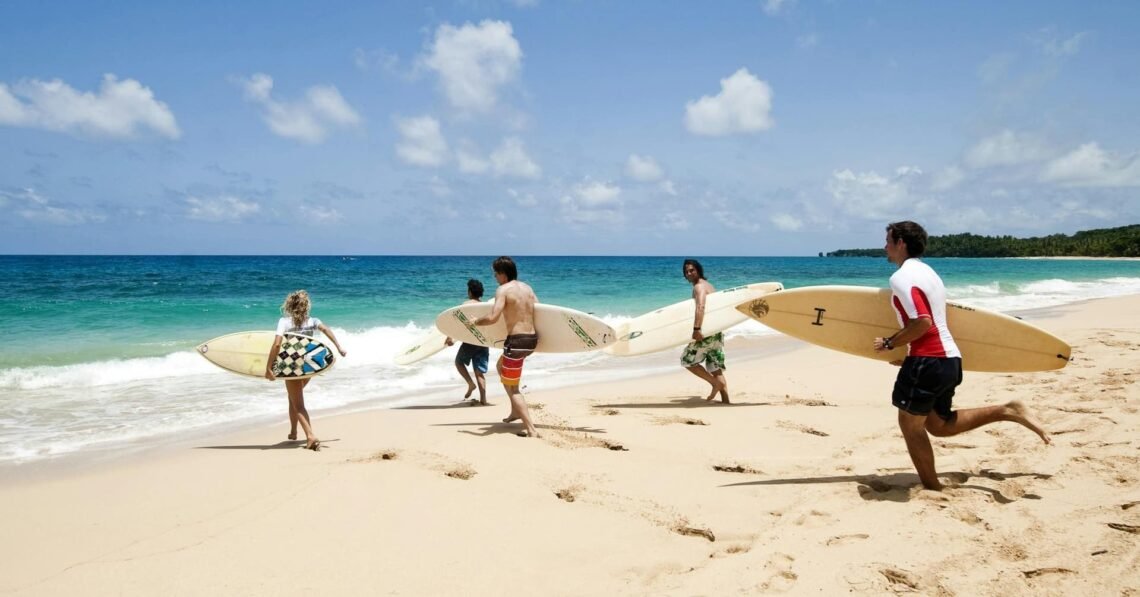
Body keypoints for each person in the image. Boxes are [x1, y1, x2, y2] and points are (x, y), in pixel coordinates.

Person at [873, 221, 1050, 490]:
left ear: (901, 243)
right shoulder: (929, 273)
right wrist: (910, 356)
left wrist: (889, 343)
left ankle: (932, 488)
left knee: (910, 425)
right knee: (939, 425)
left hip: (929, 360)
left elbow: (923, 322)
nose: (885, 246)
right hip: (948, 359)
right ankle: (1007, 410)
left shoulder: (901, 278)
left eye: (888, 240)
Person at [264, 289, 347, 451]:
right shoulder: (313, 321)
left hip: (291, 366)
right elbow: (326, 330)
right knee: (293, 398)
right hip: (308, 367)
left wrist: (268, 368)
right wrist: (338, 347)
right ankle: (294, 431)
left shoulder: (284, 322)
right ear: (307, 306)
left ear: (289, 305)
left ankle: (310, 436)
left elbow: (276, 344)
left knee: (298, 403)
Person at [470, 256, 540, 438]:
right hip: (531, 340)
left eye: (495, 273)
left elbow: (493, 317)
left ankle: (531, 429)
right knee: (501, 367)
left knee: (513, 387)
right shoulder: (527, 288)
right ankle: (515, 411)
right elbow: (541, 312)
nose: (494, 277)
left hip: (516, 343)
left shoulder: (503, 289)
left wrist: (476, 321)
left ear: (503, 273)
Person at [680, 259, 730, 403]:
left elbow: (700, 307)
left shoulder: (699, 287)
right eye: (686, 271)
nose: (689, 273)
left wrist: (696, 329)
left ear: (698, 270)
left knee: (687, 361)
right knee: (715, 367)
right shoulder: (709, 285)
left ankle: (715, 383)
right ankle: (725, 400)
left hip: (705, 333)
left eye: (691, 270)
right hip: (716, 332)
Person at [445, 279, 490, 405]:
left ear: (470, 292)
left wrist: (450, 337)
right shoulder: (485, 306)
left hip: (470, 342)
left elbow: (458, 323)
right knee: (479, 372)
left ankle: (470, 383)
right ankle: (483, 399)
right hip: (483, 341)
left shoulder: (465, 305)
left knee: (459, 362)